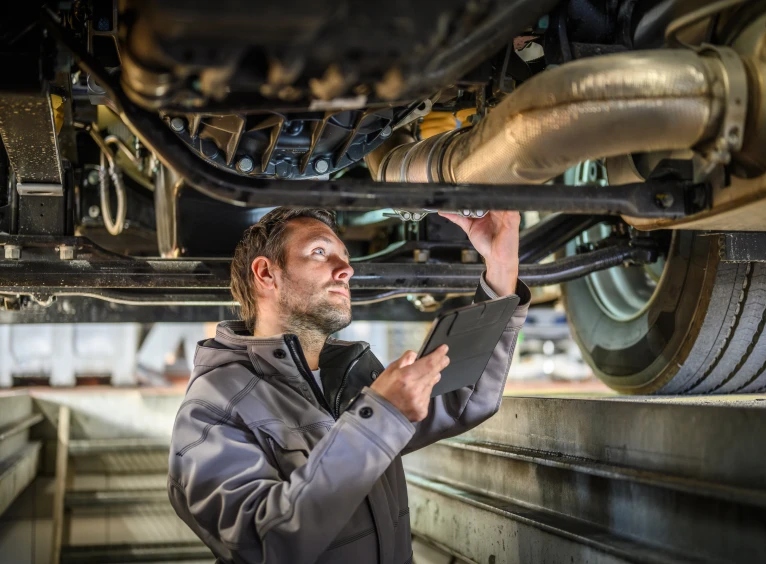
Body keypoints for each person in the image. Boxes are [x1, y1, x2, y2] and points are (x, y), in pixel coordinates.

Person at [168, 207, 530, 564]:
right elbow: (264, 542)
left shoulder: (351, 374)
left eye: (345, 256)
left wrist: (500, 269)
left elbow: (462, 399)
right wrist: (379, 418)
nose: (346, 270)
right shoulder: (214, 405)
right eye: (320, 252)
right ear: (266, 273)